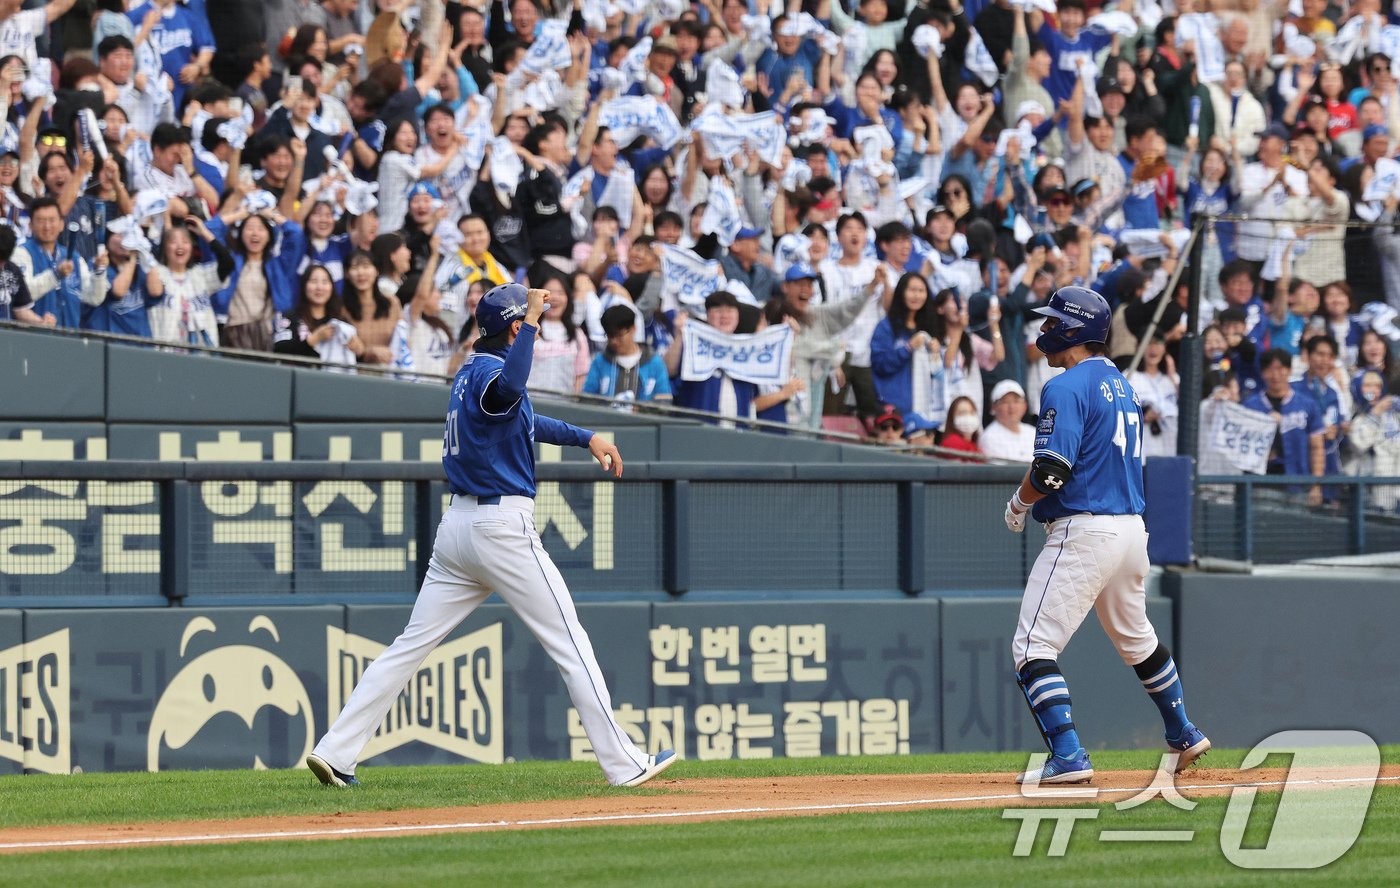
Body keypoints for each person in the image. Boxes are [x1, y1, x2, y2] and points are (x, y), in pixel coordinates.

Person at [306, 282, 677, 789]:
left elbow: (524, 416)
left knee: (406, 648)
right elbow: (513, 388)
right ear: (516, 328)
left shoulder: (471, 373)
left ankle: (336, 751)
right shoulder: (493, 373)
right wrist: (529, 321)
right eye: (530, 324)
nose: (537, 327)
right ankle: (625, 763)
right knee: (572, 645)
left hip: (457, 532)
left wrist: (586, 436)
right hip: (499, 528)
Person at [1004, 286, 1210, 785]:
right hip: (1131, 529)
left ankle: (1069, 755)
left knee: (1032, 647)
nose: (1046, 330)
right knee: (1137, 639)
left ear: (1076, 330)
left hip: (1085, 527)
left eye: (1054, 323)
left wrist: (1018, 502)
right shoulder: (1123, 384)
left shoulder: (1066, 385)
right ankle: (1182, 730)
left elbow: (1052, 471)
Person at [1243, 348, 1326, 505]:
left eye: (1280, 369)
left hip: (1298, 483)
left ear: (1289, 370)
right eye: (1269, 369)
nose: (1275, 375)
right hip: (1260, 483)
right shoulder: (1250, 406)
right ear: (1262, 373)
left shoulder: (1307, 405)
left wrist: (1316, 485)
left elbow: (1317, 447)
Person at [582, 304, 673, 403]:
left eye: (619, 335)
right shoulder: (599, 362)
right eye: (610, 336)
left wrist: (642, 411)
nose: (614, 341)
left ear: (633, 329)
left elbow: (664, 401)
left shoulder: (655, 363)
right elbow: (587, 399)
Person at [979, 379, 1035, 462]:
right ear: (993, 406)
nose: (1011, 407)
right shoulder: (989, 437)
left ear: (1025, 406)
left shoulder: (1033, 432)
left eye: (1016, 401)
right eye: (1005, 402)